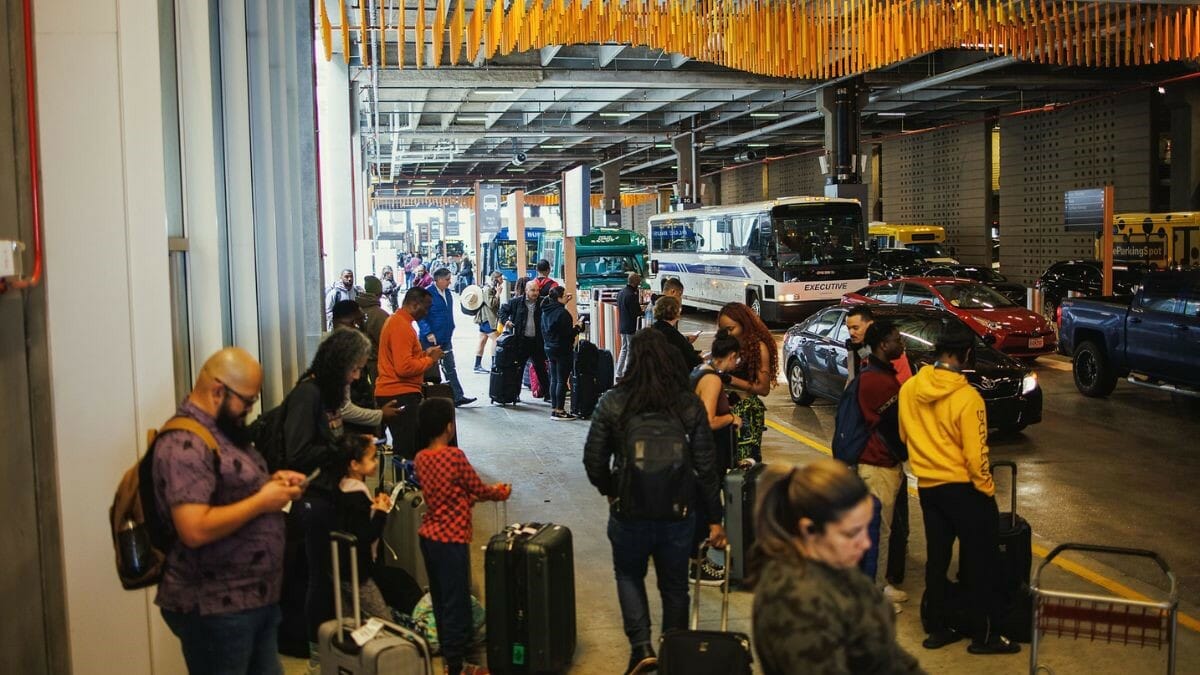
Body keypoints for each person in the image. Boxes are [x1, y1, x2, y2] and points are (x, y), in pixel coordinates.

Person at [153, 347, 306, 675]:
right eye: (247, 402)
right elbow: (193, 528)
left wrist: (270, 483)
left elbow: (229, 490)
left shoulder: (221, 433)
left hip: (252, 600)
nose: (249, 411)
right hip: (216, 606)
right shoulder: (184, 444)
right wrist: (262, 501)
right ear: (218, 390)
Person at [583, 329, 726, 675]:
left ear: (632, 359)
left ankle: (641, 647)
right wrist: (715, 519)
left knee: (629, 575)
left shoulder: (614, 401)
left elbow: (594, 460)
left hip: (629, 510)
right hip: (679, 514)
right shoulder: (686, 403)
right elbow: (707, 467)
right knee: (675, 585)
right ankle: (673, 654)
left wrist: (612, 490)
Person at [899, 321, 1020, 655]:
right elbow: (976, 454)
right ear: (966, 354)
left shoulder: (910, 388)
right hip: (966, 490)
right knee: (981, 562)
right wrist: (987, 490)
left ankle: (937, 629)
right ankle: (985, 636)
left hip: (928, 488)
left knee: (937, 560)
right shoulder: (968, 398)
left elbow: (904, 437)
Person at [749, 459, 924, 675]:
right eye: (851, 533)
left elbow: (891, 658)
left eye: (865, 529)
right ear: (809, 530)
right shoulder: (793, 602)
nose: (866, 543)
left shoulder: (839, 571)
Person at [282, 327, 375, 667]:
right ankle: (317, 655)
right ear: (339, 365)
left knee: (328, 578)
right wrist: (340, 450)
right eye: (354, 369)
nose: (357, 376)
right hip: (313, 499)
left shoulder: (326, 394)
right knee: (319, 580)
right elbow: (298, 452)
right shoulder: (309, 395)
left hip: (326, 496)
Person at [414, 397, 512, 675]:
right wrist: (499, 492)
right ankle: (457, 667)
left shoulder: (422, 459)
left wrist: (468, 499)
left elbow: (448, 495)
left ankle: (450, 655)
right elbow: (476, 488)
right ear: (449, 427)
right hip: (451, 540)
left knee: (442, 599)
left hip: (429, 537)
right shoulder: (454, 457)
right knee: (457, 601)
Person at [854, 320, 910, 612]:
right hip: (877, 466)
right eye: (895, 339)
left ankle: (880, 585)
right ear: (882, 345)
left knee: (884, 530)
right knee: (876, 531)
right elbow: (890, 425)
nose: (900, 344)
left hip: (886, 465)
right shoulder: (876, 380)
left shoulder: (880, 373)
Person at [688, 328, 742, 581]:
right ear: (731, 356)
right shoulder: (712, 379)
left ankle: (696, 560)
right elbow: (708, 420)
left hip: (695, 450)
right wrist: (732, 417)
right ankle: (698, 565)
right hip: (705, 451)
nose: (736, 364)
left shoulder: (699, 370)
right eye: (736, 359)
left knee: (698, 504)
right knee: (707, 507)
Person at [332, 433, 399, 620]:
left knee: (349, 620)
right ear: (354, 464)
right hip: (357, 571)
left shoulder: (341, 487)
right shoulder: (356, 496)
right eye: (371, 458)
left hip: (341, 567)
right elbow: (366, 535)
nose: (376, 462)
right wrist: (381, 511)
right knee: (383, 619)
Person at [376, 287, 445, 460]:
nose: (427, 312)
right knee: (407, 449)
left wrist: (424, 354)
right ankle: (407, 484)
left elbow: (404, 359)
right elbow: (404, 368)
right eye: (426, 307)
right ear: (415, 304)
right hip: (399, 393)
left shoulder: (399, 322)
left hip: (397, 391)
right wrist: (430, 360)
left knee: (407, 446)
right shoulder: (401, 326)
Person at [717, 302, 778, 464]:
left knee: (745, 460)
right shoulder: (727, 346)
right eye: (724, 331)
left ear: (745, 325)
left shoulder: (758, 348)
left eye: (731, 329)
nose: (728, 334)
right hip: (726, 410)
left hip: (747, 412)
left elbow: (763, 389)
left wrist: (730, 380)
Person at [419, 267, 476, 407]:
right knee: (428, 372)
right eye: (447, 279)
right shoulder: (427, 294)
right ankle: (424, 399)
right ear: (438, 280)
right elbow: (420, 316)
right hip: (430, 341)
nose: (450, 282)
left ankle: (457, 396)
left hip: (445, 337)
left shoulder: (448, 293)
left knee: (450, 367)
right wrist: (428, 332)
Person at [498, 279, 548, 403]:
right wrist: (506, 321)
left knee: (541, 368)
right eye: (532, 290)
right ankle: (515, 394)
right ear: (526, 291)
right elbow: (502, 311)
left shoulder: (543, 302)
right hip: (521, 341)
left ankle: (548, 394)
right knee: (518, 369)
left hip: (537, 342)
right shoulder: (516, 302)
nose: (535, 293)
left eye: (537, 290)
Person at [541, 286, 583, 420]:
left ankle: (554, 408)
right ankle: (560, 410)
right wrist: (577, 327)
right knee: (562, 381)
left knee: (554, 379)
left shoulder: (546, 311)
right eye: (565, 295)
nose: (567, 296)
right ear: (559, 298)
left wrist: (565, 300)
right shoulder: (563, 314)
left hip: (549, 347)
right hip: (562, 349)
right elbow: (568, 335)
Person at [650, 295, 702, 378]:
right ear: (675, 312)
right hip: (672, 378)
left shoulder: (653, 328)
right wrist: (702, 358)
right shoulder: (671, 333)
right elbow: (689, 358)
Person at [614, 272, 643, 378]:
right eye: (638, 283)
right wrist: (642, 311)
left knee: (624, 348)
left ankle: (618, 372)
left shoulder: (621, 293)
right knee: (631, 350)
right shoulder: (631, 295)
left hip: (622, 325)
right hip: (631, 326)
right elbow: (636, 312)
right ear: (635, 283)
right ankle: (628, 372)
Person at [473, 271, 503, 373]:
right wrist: (498, 293)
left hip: (484, 319)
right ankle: (494, 364)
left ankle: (477, 365)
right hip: (487, 319)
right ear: (495, 279)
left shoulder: (489, 289)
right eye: (500, 278)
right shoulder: (488, 289)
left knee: (482, 340)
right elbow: (491, 304)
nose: (502, 280)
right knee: (496, 339)